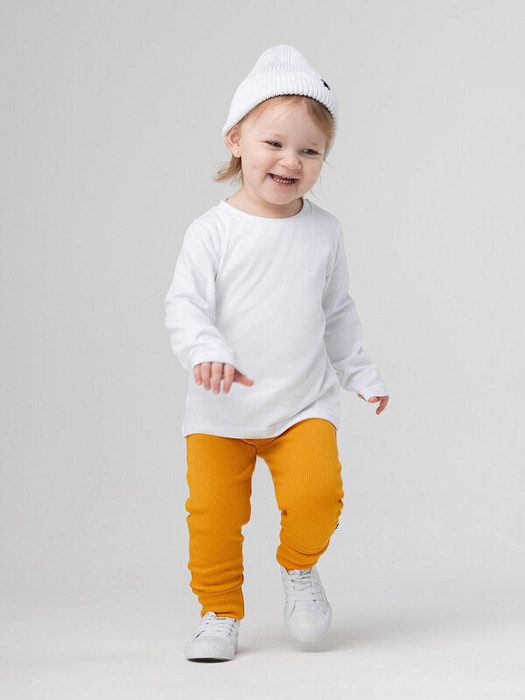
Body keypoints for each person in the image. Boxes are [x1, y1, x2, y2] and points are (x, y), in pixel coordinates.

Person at [164, 44, 389, 662]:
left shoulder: (325, 231)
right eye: (274, 143)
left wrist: (360, 372)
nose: (291, 160)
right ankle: (218, 612)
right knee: (213, 517)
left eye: (310, 151)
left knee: (319, 494)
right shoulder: (212, 231)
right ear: (236, 140)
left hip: (302, 403)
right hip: (221, 410)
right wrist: (205, 348)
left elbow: (337, 310)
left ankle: (299, 566)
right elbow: (185, 305)